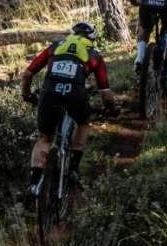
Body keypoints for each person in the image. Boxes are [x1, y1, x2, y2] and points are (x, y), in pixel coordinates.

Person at [21, 21, 118, 195]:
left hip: (49, 92)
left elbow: (27, 74)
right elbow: (106, 95)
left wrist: (27, 95)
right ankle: (73, 169)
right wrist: (111, 110)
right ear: (92, 39)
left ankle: (34, 184)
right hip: (76, 94)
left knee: (45, 138)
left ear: (71, 35)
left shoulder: (54, 47)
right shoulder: (94, 55)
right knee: (82, 123)